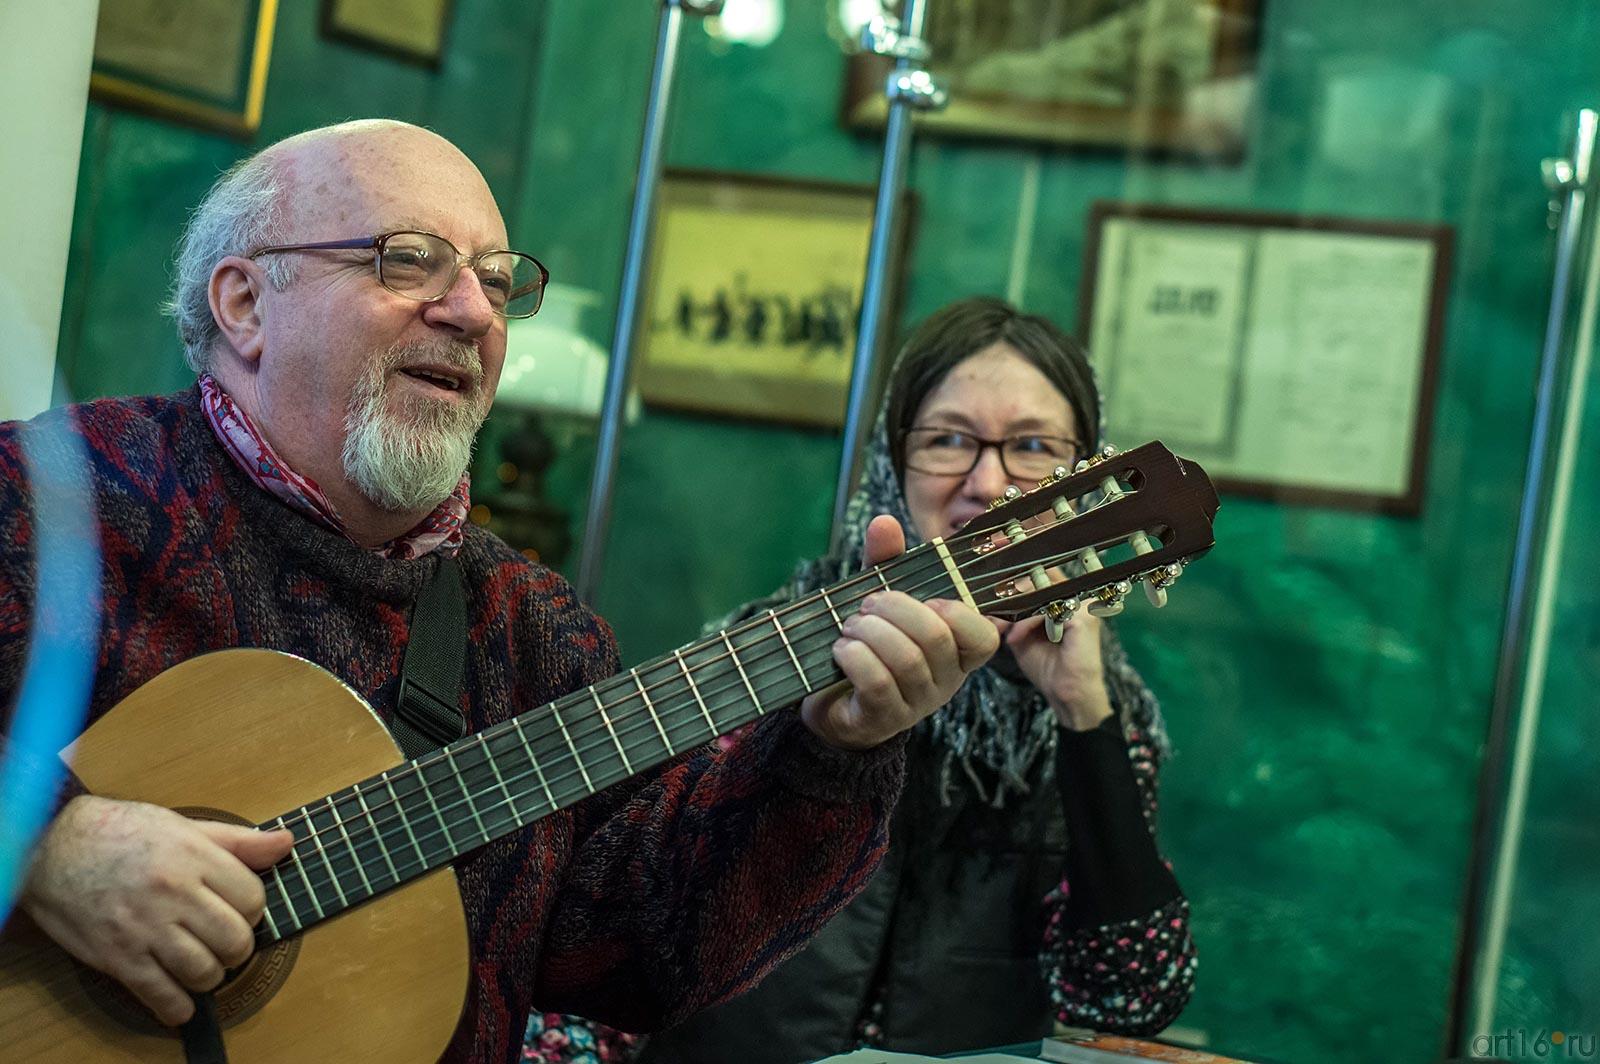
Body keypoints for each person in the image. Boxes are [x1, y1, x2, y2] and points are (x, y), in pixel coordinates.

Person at [0, 120, 999, 1064]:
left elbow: (648, 958)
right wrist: (52, 844)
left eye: (492, 280)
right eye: (407, 259)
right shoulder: (48, 504)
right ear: (246, 303)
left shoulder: (532, 628)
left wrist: (834, 749)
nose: (473, 310)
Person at [627, 297, 1199, 1061]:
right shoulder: (761, 650)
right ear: (891, 463)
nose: (988, 483)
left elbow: (1128, 998)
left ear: (1087, 475)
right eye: (947, 439)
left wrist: (1083, 714)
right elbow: (631, 919)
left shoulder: (1103, 710)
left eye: (1033, 447)